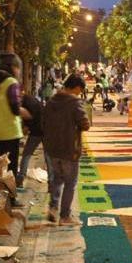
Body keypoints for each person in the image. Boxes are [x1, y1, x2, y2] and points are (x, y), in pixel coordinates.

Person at [42, 73, 91, 225]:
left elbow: (43, 122)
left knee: (57, 179)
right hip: (69, 148)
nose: (79, 93)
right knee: (70, 182)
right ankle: (65, 216)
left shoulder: (51, 101)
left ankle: (53, 207)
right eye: (80, 90)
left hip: (52, 148)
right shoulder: (74, 102)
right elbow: (84, 124)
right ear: (76, 87)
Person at [0, 53, 32, 182]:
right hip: (10, 133)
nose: (19, 71)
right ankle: (10, 199)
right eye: (18, 68)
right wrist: (26, 113)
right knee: (11, 168)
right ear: (14, 67)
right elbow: (15, 108)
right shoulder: (11, 83)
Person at [16, 92, 48, 189]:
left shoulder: (27, 102)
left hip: (37, 132)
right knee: (48, 157)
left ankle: (20, 178)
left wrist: (22, 132)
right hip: (47, 130)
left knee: (26, 154)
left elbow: (30, 117)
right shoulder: (31, 100)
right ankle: (52, 184)